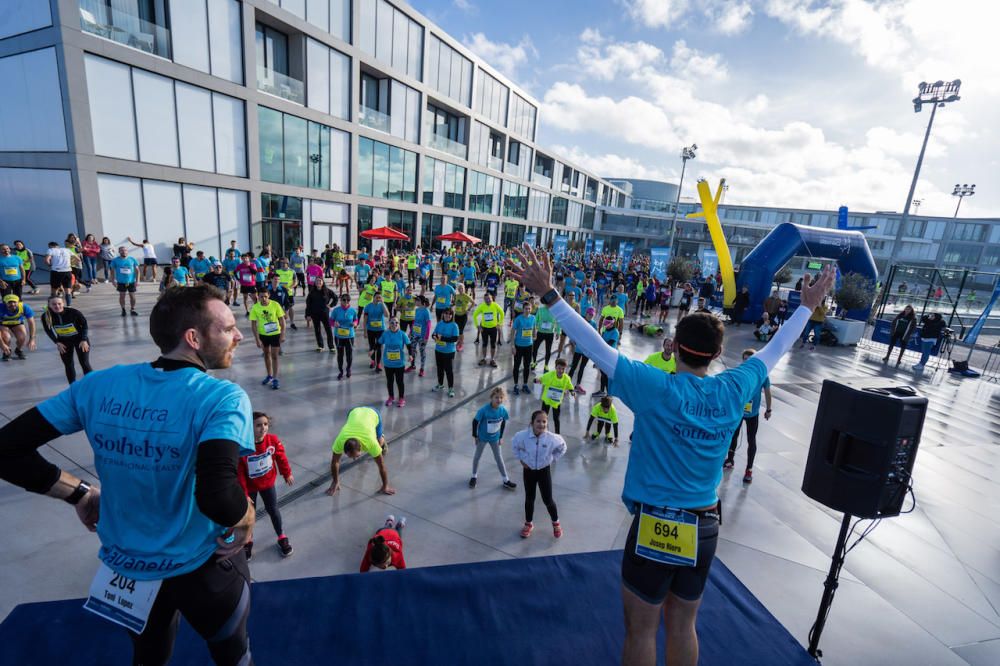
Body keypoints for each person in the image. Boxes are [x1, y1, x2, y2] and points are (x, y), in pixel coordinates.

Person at [506, 245, 835, 666]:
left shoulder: (656, 388)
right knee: (683, 625)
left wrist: (551, 295)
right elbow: (775, 350)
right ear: (718, 355)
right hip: (705, 525)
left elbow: (594, 346)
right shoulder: (735, 387)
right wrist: (806, 308)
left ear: (674, 346)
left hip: (657, 524)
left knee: (642, 629)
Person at [0, 284, 256, 665]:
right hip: (203, 569)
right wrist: (247, 516)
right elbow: (218, 496)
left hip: (127, 571)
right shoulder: (221, 398)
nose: (238, 335)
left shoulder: (99, 385)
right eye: (228, 327)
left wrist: (81, 493)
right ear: (194, 338)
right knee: (231, 652)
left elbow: (6, 449)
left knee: (148, 656)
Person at [512, 410, 567, 539]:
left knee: (548, 499)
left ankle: (556, 522)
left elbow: (563, 447)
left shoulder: (552, 438)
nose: (541, 424)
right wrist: (521, 459)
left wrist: (553, 458)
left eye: (544, 421)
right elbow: (515, 445)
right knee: (529, 498)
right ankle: (528, 524)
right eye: (538, 421)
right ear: (532, 423)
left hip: (544, 471)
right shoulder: (522, 436)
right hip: (529, 471)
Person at [723, 349, 773, 484]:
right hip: (739, 411)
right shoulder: (739, 373)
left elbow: (768, 393)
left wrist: (768, 409)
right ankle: (730, 459)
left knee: (751, 440)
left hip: (753, 414)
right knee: (733, 435)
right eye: (744, 359)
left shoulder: (763, 375)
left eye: (749, 359)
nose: (746, 362)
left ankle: (749, 469)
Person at [326, 406, 395, 495]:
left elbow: (381, 466)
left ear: (362, 448)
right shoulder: (340, 441)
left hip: (372, 413)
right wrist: (335, 481)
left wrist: (385, 486)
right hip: (354, 412)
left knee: (379, 443)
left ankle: (382, 437)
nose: (354, 459)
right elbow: (334, 462)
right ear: (344, 449)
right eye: (351, 456)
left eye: (357, 456)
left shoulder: (370, 443)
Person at [470, 387, 517, 489]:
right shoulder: (484, 410)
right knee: (477, 457)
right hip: (482, 438)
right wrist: (475, 435)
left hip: (495, 438)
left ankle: (505, 480)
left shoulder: (503, 410)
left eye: (501, 397)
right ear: (491, 398)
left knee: (499, 459)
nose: (499, 400)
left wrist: (501, 437)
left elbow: (503, 421)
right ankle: (474, 476)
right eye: (496, 397)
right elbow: (475, 422)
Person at [41, 293, 92, 384]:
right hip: (63, 342)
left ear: (63, 303)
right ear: (49, 305)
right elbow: (48, 330)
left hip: (80, 340)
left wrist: (84, 340)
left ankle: (92, 384)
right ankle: (72, 387)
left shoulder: (73, 312)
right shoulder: (46, 316)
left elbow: (84, 325)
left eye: (59, 303)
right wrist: (57, 342)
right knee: (68, 365)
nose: (57, 306)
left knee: (84, 363)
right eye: (54, 304)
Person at [249, 288, 285, 390]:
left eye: (265, 296)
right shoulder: (255, 307)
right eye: (261, 296)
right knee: (266, 355)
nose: (263, 298)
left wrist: (283, 334)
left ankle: (275, 378)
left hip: (275, 333)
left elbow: (282, 320)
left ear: (268, 295)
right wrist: (257, 339)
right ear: (258, 297)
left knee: (274, 356)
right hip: (263, 335)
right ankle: (269, 375)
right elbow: (253, 324)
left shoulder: (275, 305)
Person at [534, 358, 574, 434]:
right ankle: (542, 431)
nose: (561, 371)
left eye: (563, 369)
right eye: (559, 368)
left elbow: (570, 386)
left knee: (556, 418)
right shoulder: (550, 375)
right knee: (543, 417)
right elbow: (541, 379)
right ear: (555, 367)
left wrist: (572, 392)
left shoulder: (566, 378)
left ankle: (557, 434)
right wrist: (536, 380)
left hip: (556, 402)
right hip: (547, 400)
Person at [379, 317, 411, 407]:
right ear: (389, 324)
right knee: (390, 381)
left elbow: (409, 345)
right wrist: (372, 350)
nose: (394, 324)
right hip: (388, 363)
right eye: (392, 323)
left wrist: (411, 355)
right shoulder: (385, 334)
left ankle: (401, 398)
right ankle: (391, 397)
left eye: (396, 322)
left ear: (399, 324)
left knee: (399, 381)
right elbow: (379, 343)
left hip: (399, 363)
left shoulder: (402, 334)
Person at [431, 308, 460, 397]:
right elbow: (433, 334)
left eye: (450, 314)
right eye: (446, 313)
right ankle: (440, 384)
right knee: (439, 368)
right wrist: (435, 337)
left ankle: (451, 388)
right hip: (439, 350)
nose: (448, 315)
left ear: (452, 316)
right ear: (443, 314)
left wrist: (442, 338)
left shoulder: (454, 325)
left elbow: (455, 338)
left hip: (449, 352)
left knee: (448, 370)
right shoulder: (440, 323)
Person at [305, 276, 337, 352]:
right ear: (315, 283)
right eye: (317, 281)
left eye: (320, 281)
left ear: (323, 282)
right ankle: (320, 346)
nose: (318, 282)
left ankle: (331, 346)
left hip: (325, 313)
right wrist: (307, 315)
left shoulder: (327, 291)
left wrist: (331, 305)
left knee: (328, 330)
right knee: (317, 330)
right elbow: (308, 304)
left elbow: (335, 298)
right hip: (314, 314)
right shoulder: (312, 292)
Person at [1, 294, 37, 361]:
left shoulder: (25, 307)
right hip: (3, 324)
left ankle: (18, 350)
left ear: (18, 302)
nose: (12, 304)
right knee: (6, 337)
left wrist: (32, 339)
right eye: (9, 302)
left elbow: (31, 323)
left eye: (14, 302)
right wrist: (2, 344)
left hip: (17, 323)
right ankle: (6, 352)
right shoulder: (0, 308)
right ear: (4, 303)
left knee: (22, 337)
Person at [331, 293, 358, 379]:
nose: (346, 301)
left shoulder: (352, 310)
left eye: (348, 300)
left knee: (349, 354)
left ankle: (348, 368)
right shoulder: (336, 310)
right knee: (340, 354)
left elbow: (356, 319)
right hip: (339, 336)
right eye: (344, 300)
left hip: (349, 336)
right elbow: (331, 321)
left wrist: (354, 323)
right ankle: (340, 371)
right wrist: (334, 323)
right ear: (341, 300)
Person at [473, 292, 504, 367]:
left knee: (493, 344)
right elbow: (474, 315)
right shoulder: (482, 306)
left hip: (493, 328)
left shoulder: (495, 305)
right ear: (484, 300)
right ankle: (484, 358)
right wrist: (478, 326)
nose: (488, 300)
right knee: (484, 344)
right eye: (486, 299)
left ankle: (492, 360)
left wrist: (499, 323)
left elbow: (502, 313)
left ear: (492, 298)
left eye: (489, 298)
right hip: (484, 329)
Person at [109, 245, 140, 317]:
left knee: (132, 296)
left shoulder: (132, 259)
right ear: (119, 252)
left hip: (131, 281)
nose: (124, 252)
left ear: (127, 251)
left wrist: (138, 280)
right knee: (122, 296)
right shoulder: (115, 260)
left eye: (125, 250)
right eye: (122, 250)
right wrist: (113, 280)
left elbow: (137, 271)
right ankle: (123, 310)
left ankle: (132, 309)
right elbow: (112, 271)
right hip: (121, 282)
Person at [363, 291, 389, 372]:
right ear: (373, 297)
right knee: (372, 346)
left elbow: (387, 315)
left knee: (379, 347)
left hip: (380, 329)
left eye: (379, 297)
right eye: (377, 297)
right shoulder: (368, 306)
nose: (378, 299)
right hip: (371, 329)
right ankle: (373, 361)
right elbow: (365, 320)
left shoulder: (382, 305)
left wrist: (383, 303)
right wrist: (365, 331)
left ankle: (378, 364)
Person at [532, 303, 560, 372]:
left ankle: (546, 366)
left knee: (548, 350)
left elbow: (557, 322)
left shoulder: (555, 311)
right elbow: (536, 320)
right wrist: (534, 330)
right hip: (540, 332)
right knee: (535, 348)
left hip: (550, 334)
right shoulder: (540, 310)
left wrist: (558, 332)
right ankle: (534, 362)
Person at [453, 283, 474, 351]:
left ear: (464, 289)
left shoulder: (466, 296)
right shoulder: (456, 295)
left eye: (462, 288)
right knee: (457, 330)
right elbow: (454, 303)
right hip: (456, 315)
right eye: (459, 288)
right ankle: (459, 341)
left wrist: (469, 309)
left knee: (461, 331)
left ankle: (460, 344)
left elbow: (473, 303)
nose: (460, 289)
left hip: (463, 316)